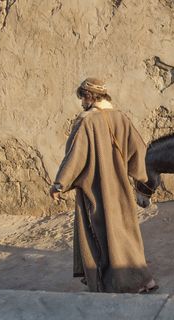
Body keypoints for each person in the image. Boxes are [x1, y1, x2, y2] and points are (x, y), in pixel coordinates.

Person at [50, 77, 157, 293]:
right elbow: (139, 150)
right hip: (121, 189)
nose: (81, 103)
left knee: (101, 236)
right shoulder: (121, 118)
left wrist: (60, 184)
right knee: (126, 233)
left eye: (82, 98)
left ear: (89, 97)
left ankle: (113, 284)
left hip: (96, 189)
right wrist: (139, 177)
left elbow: (74, 157)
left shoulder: (86, 121)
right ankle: (143, 280)